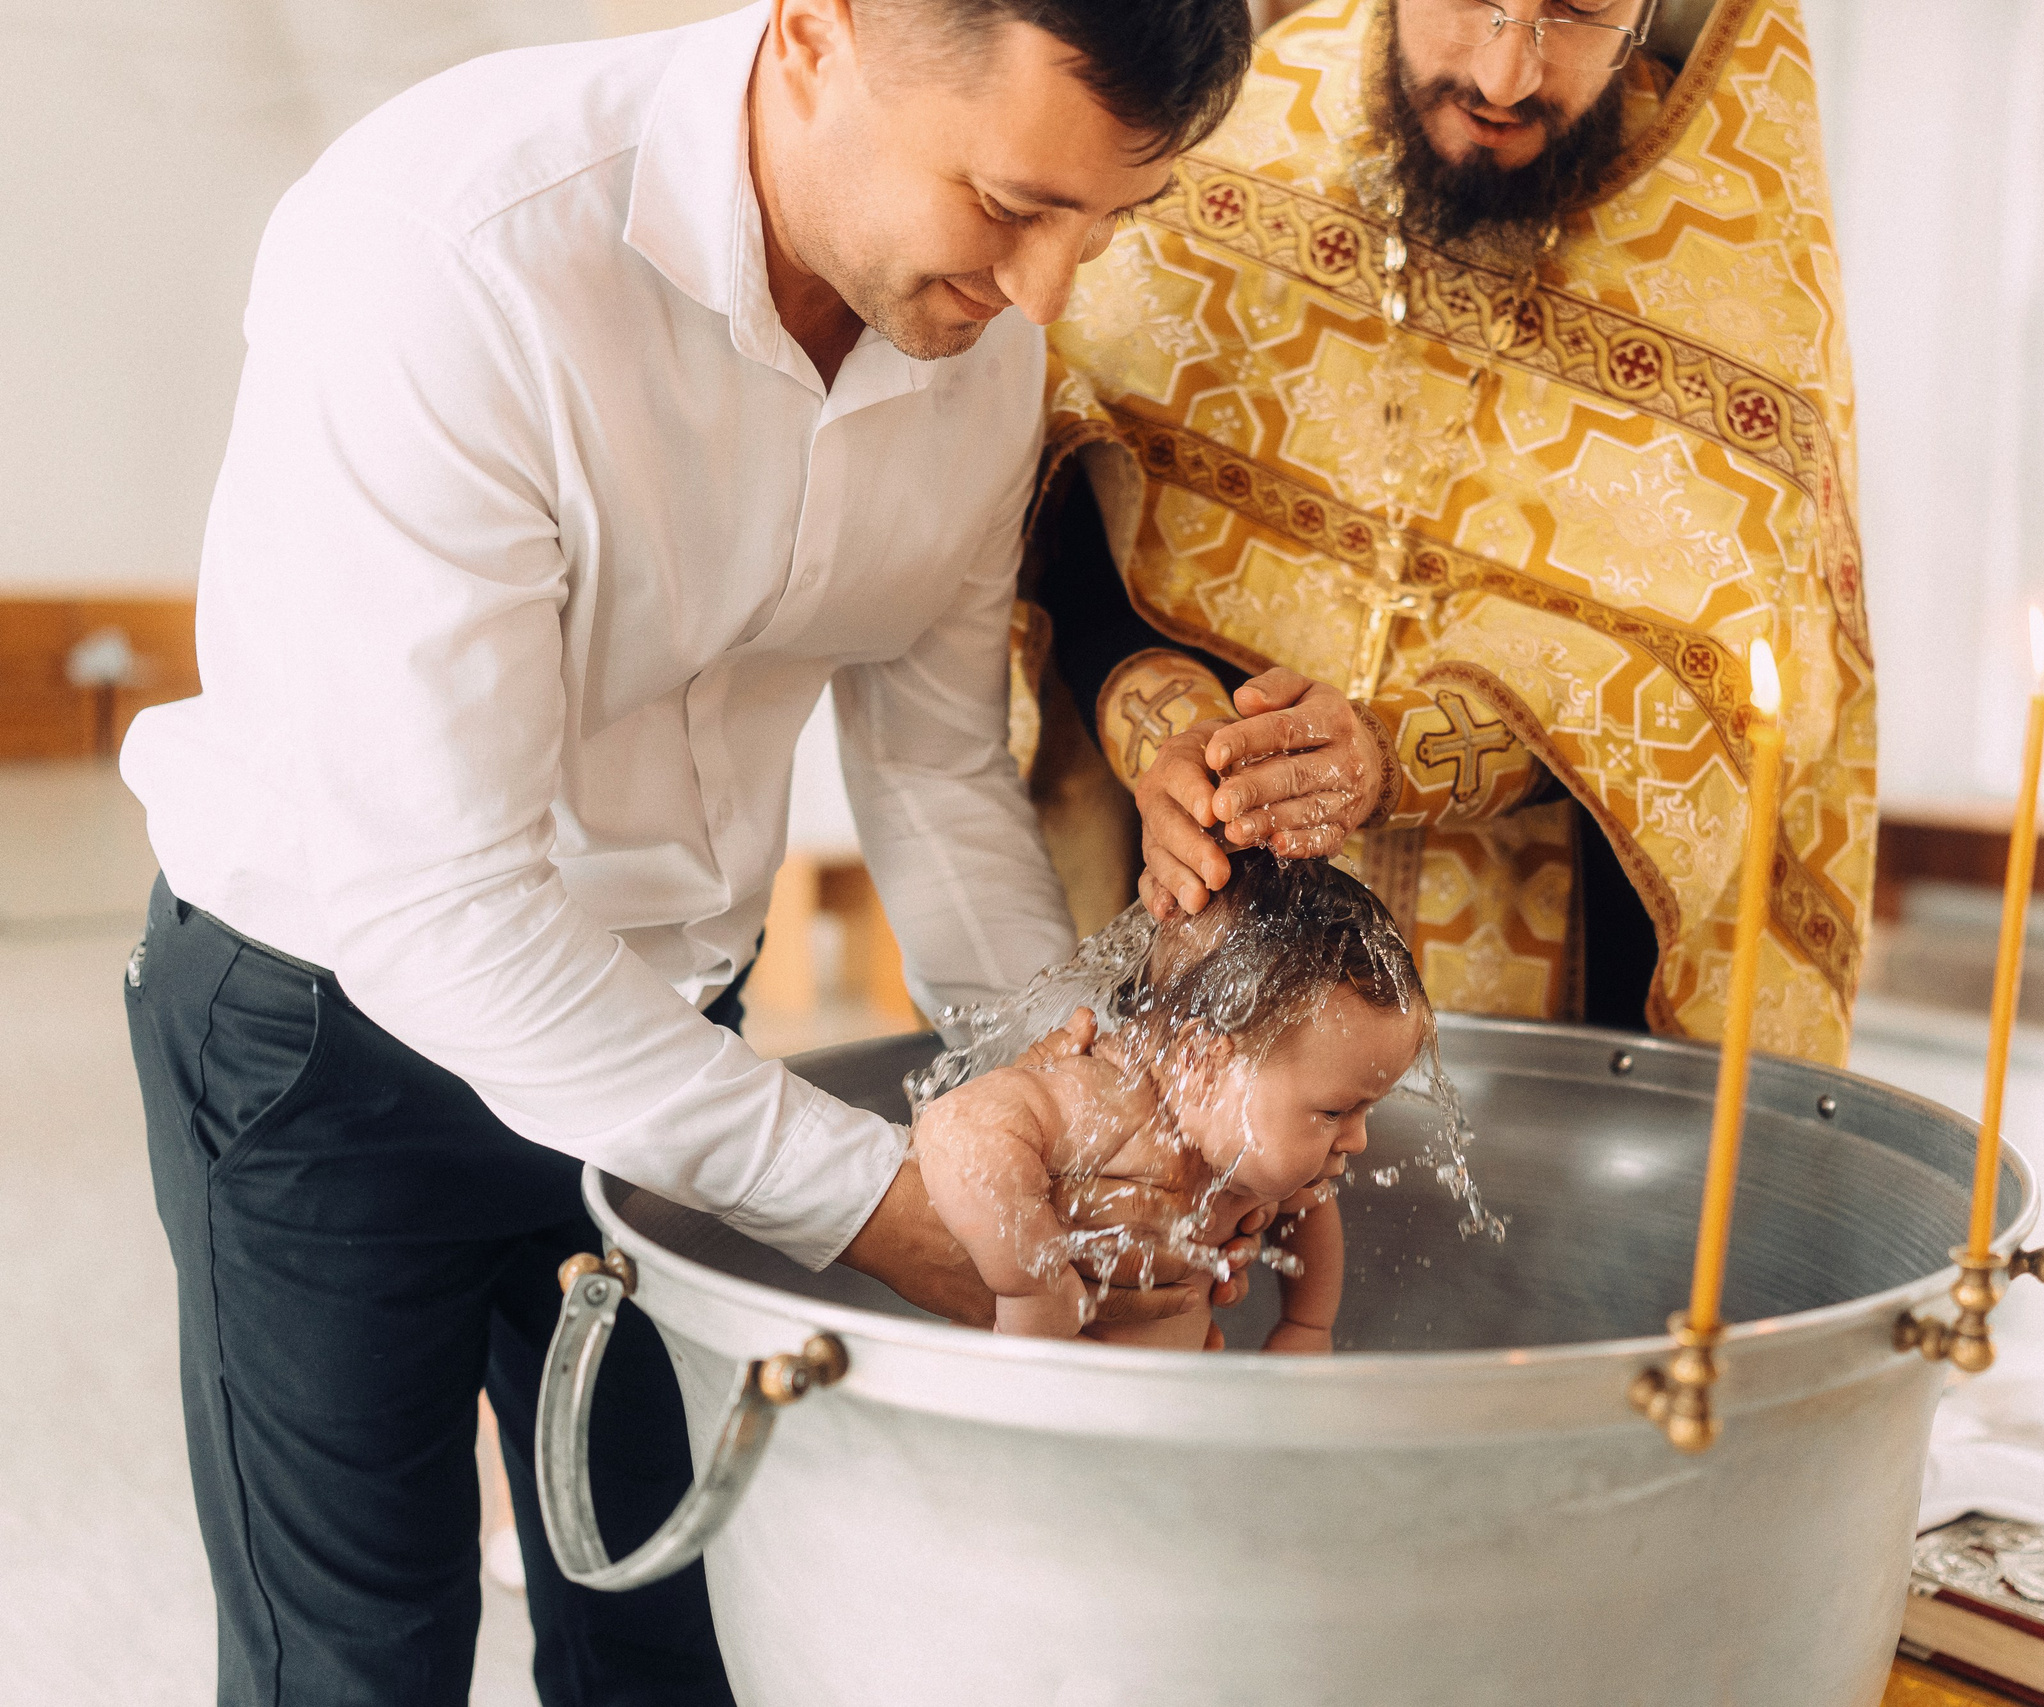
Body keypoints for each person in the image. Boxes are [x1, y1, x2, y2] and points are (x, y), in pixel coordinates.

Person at [117, 1, 1252, 1701]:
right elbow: (437, 901)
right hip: (327, 1038)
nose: (1050, 297)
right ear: (819, 34)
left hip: (675, 1030)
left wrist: (1057, 1087)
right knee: (357, 1661)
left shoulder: (979, 351)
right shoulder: (447, 256)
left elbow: (937, 775)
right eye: (1013, 205)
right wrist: (880, 1199)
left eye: (1111, 222)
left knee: (675, 1624)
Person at [1026, 0, 1874, 1065]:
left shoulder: (1737, 240)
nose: (1507, 73)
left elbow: (1722, 676)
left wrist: (1404, 756)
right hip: (1187, 933)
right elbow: (1067, 490)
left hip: (1549, 994)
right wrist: (1170, 733)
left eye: (1575, 13)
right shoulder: (1235, 131)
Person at [912, 849, 1428, 1349]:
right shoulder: (1108, 1098)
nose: (1359, 1140)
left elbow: (1309, 1208)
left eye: (1366, 1109)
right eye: (1336, 1111)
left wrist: (1307, 1323)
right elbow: (954, 1128)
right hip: (1016, 1402)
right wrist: (1032, 1280)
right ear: (1201, 1061)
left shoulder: (1262, 1147)